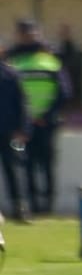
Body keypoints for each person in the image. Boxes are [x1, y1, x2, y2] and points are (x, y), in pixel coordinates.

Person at [5, 19, 71, 215]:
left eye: (31, 33)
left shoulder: (49, 59)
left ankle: (47, 207)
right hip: (22, 125)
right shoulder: (12, 60)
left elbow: (64, 92)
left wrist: (46, 115)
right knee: (26, 164)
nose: (28, 37)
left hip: (46, 123)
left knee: (47, 164)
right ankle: (32, 206)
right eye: (24, 33)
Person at [0, 57, 30, 223]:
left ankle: (20, 209)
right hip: (8, 129)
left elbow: (22, 103)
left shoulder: (11, 74)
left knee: (13, 171)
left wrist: (23, 129)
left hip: (9, 132)